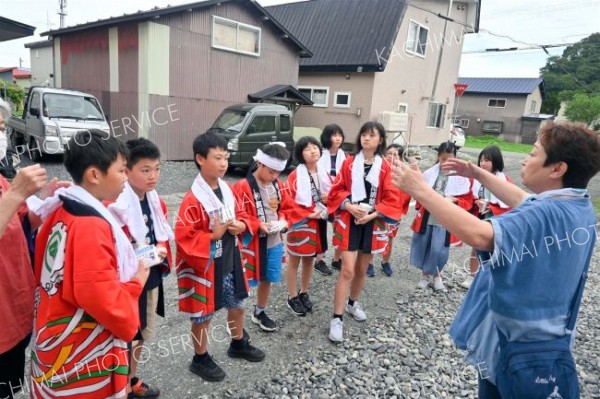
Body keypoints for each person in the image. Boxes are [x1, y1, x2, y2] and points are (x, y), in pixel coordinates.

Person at [392, 121, 600, 398]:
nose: (526, 159)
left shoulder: (548, 213)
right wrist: (477, 173)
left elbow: (481, 235)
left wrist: (421, 191)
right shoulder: (576, 205)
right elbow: (524, 201)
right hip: (546, 339)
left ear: (557, 168)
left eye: (535, 153)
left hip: (516, 344)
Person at [28, 130, 149, 399]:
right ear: (94, 175)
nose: (126, 177)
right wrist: (136, 282)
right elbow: (99, 296)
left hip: (53, 331)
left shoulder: (61, 207)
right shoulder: (90, 225)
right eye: (121, 170)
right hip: (79, 348)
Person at [175, 132, 265, 383]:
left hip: (230, 260)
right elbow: (184, 239)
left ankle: (238, 343)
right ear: (200, 159)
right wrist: (213, 235)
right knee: (202, 315)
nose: (224, 163)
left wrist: (241, 225)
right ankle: (200, 358)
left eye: (226, 157)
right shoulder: (192, 199)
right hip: (206, 266)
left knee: (237, 305)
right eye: (218, 158)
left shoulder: (227, 189)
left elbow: (246, 215)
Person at [0, 98, 69, 399]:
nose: (2, 134)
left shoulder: (1, 179)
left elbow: (19, 223)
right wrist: (17, 192)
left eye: (2, 127)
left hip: (13, 312)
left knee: (11, 385)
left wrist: (45, 200)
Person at [327, 122, 406, 342]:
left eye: (372, 135)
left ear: (381, 140)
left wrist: (373, 213)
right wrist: (348, 205)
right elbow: (337, 190)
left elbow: (393, 198)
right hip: (350, 219)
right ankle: (337, 317)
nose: (366, 139)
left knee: (362, 269)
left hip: (373, 222)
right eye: (363, 134)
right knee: (347, 270)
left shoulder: (386, 168)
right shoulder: (349, 164)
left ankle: (353, 303)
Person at [107, 138, 173, 398]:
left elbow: (162, 234)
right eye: (145, 170)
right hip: (127, 281)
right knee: (125, 334)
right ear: (127, 169)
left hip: (150, 275)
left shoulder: (156, 201)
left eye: (157, 169)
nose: (153, 176)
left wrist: (158, 251)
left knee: (141, 333)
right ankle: (119, 385)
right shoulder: (117, 204)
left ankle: (130, 378)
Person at [233, 143, 293, 332]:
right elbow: (237, 213)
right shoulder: (243, 186)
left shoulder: (278, 184)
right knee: (243, 280)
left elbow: (287, 207)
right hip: (251, 243)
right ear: (259, 163)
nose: (274, 176)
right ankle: (235, 321)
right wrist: (258, 224)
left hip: (274, 241)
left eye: (278, 172)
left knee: (267, 278)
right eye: (271, 171)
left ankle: (259, 311)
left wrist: (283, 220)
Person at [409, 142, 472, 291]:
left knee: (439, 248)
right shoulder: (429, 173)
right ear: (438, 157)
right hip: (428, 214)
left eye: (450, 159)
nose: (446, 163)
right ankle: (425, 276)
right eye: (443, 159)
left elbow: (468, 199)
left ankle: (437, 275)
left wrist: (455, 199)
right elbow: (419, 193)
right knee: (425, 244)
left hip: (446, 216)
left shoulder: (462, 177)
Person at [284, 136, 330, 317]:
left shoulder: (324, 172)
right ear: (300, 154)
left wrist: (328, 199)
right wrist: (306, 214)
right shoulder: (295, 175)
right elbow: (287, 202)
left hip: (318, 220)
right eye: (307, 148)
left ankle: (304, 291)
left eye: (315, 147)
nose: (312, 151)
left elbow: (331, 194)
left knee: (310, 259)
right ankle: (292, 295)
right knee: (294, 260)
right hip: (301, 221)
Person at [460, 145, 510, 290]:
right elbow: (469, 196)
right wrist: (476, 202)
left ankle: (491, 278)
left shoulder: (504, 180)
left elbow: (509, 203)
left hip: (496, 219)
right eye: (481, 160)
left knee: (494, 249)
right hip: (481, 216)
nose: (483, 163)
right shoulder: (477, 178)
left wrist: (492, 207)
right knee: (476, 246)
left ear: (496, 161)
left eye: (487, 160)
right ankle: (472, 275)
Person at [366, 143, 411, 277]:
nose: (391, 157)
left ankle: (385, 261)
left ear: (401, 158)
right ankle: (370, 262)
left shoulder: (404, 173)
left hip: (394, 212)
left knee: (389, 237)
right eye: (389, 153)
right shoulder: (378, 169)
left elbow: (407, 193)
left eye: (395, 154)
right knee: (374, 236)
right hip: (379, 210)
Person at [314, 124, 346, 275]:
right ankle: (319, 259)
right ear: (327, 137)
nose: (338, 138)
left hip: (338, 197)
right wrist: (321, 195)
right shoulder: (319, 154)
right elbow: (313, 176)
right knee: (320, 229)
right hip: (321, 197)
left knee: (341, 227)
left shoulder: (344, 156)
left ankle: (336, 258)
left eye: (339, 134)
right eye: (334, 135)